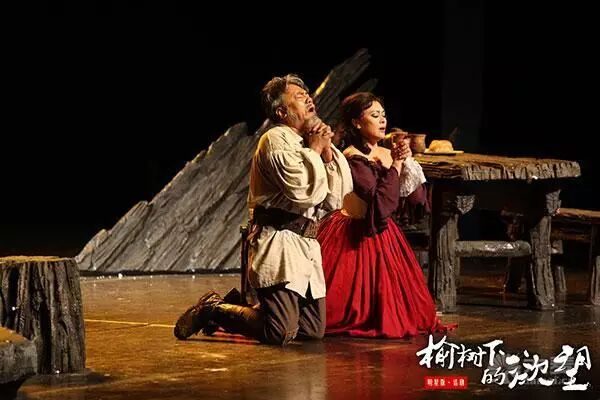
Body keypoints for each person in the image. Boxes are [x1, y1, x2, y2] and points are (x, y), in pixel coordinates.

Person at [173, 74, 352, 345]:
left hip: (304, 243)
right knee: (280, 332)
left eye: (308, 95)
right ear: (281, 112)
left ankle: (243, 308)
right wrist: (315, 150)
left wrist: (326, 153)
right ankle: (213, 309)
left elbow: (336, 200)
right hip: (279, 239)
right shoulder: (275, 138)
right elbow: (300, 190)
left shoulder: (307, 142)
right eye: (299, 97)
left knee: (312, 329)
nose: (308, 99)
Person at [317, 92, 451, 338]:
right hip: (355, 232)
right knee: (347, 302)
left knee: (406, 308)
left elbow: (416, 199)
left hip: (385, 232)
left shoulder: (387, 153)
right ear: (357, 122)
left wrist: (407, 162)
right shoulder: (353, 157)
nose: (382, 120)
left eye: (383, 115)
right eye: (374, 115)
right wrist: (396, 166)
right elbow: (379, 203)